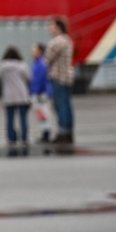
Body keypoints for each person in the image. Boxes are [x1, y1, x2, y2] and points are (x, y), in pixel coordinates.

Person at [44, 17, 75, 145]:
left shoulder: (56, 42)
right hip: (67, 76)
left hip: (58, 76)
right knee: (67, 105)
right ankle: (68, 132)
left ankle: (62, 133)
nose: (49, 28)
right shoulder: (68, 40)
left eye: (51, 25)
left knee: (59, 105)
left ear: (58, 27)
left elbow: (47, 59)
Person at [0, 46, 30, 150]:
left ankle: (11, 138)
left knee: (10, 119)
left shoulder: (2, 67)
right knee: (23, 118)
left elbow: (0, 79)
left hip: (8, 96)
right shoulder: (22, 65)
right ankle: (24, 138)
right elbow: (28, 77)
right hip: (22, 95)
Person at [30, 42, 53, 143]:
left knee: (44, 113)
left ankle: (46, 133)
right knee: (40, 114)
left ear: (39, 51)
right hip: (37, 91)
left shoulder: (41, 63)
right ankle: (44, 132)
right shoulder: (36, 62)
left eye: (34, 49)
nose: (32, 51)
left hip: (40, 92)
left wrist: (38, 91)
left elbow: (40, 79)